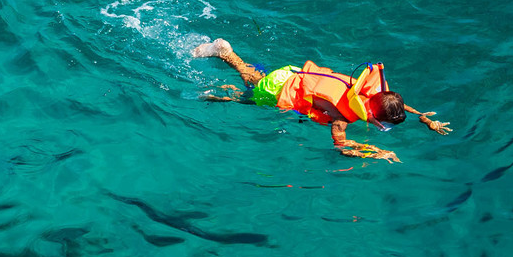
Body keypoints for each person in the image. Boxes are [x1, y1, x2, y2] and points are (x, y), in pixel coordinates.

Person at [191, 37, 448, 164]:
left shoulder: (371, 92)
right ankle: (223, 65)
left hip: (293, 74)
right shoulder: (342, 118)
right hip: (279, 90)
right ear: (373, 117)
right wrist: (377, 153)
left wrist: (424, 118)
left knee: (256, 79)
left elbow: (398, 106)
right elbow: (341, 147)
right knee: (246, 96)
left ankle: (227, 63)